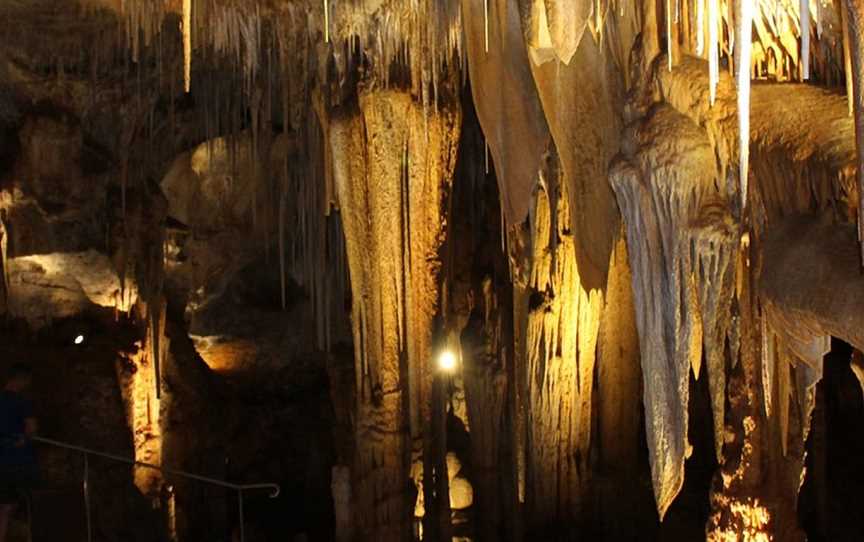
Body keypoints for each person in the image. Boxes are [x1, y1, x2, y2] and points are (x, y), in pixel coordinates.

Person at [0, 364, 37, 542]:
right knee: (20, 503)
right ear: (22, 380)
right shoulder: (22, 402)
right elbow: (31, 428)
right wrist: (24, 438)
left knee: (5, 505)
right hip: (18, 460)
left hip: (2, 459)